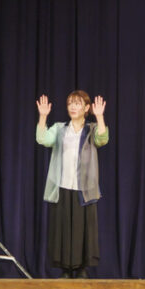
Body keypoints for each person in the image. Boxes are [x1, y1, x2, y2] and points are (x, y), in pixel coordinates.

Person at [36, 91, 108, 278]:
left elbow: (103, 139)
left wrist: (100, 117)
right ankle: (66, 269)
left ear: (86, 108)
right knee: (63, 229)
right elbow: (43, 139)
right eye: (70, 103)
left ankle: (81, 268)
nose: (73, 107)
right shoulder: (60, 128)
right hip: (62, 185)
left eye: (77, 103)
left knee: (83, 229)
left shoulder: (91, 129)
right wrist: (43, 117)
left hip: (84, 187)